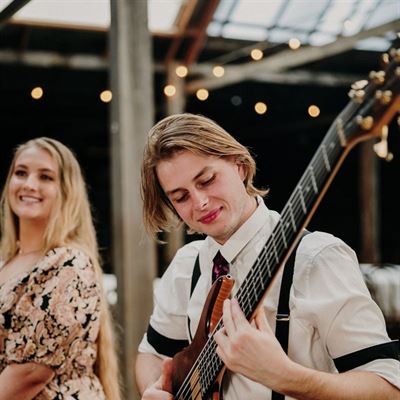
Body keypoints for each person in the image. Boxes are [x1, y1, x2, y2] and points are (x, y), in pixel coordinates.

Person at [135, 113, 400, 400]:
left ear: (239, 165)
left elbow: (387, 387)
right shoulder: (188, 265)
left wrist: (285, 376)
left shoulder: (316, 258)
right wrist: (155, 388)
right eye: (181, 197)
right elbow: (151, 354)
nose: (199, 202)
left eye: (207, 180)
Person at [0, 138, 121, 400]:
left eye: (46, 177)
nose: (29, 184)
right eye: (21, 173)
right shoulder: (5, 263)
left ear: (67, 191)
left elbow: (28, 374)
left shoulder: (69, 264)